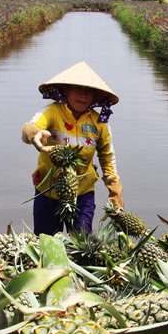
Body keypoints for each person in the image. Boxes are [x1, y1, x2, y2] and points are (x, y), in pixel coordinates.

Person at [21, 61, 124, 235]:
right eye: (77, 89)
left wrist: (115, 193)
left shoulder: (99, 123)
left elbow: (108, 159)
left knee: (81, 242)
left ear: (95, 96)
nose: (83, 96)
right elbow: (30, 127)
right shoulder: (52, 112)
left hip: (82, 193)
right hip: (48, 191)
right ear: (65, 90)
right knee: (46, 242)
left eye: (89, 91)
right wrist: (34, 134)